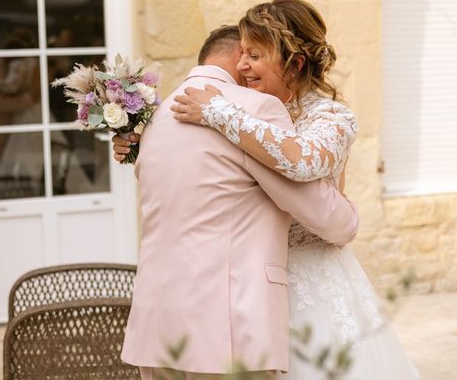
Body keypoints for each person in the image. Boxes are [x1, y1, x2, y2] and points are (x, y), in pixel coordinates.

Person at [171, 0, 420, 379]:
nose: (241, 66)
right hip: (248, 285)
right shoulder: (246, 112)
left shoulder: (332, 117)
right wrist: (134, 142)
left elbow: (303, 161)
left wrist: (218, 112)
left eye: (254, 54)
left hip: (314, 281)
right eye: (242, 54)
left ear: (295, 63)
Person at [118, 25, 360, 380]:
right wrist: (348, 219)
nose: (249, 67)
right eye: (249, 55)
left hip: (157, 325)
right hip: (225, 330)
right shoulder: (254, 110)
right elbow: (317, 209)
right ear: (238, 56)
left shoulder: (157, 116)